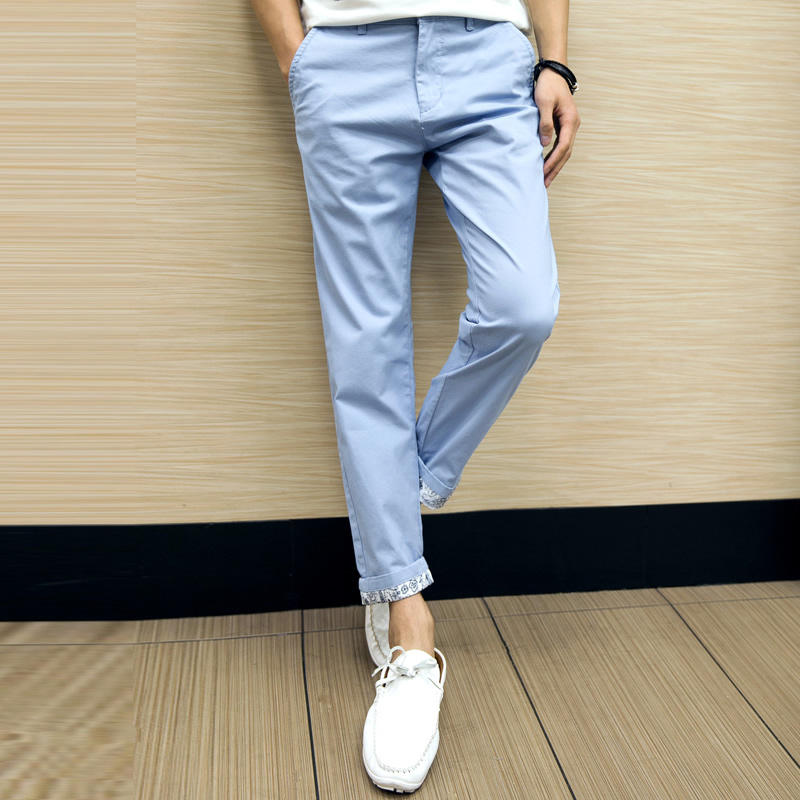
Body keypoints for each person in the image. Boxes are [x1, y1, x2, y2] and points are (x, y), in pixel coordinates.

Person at [250, 0, 579, 791]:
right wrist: (298, 58)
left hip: (487, 57)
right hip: (345, 62)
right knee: (365, 342)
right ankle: (407, 627)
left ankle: (400, 486)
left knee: (521, 307)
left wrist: (556, 59)